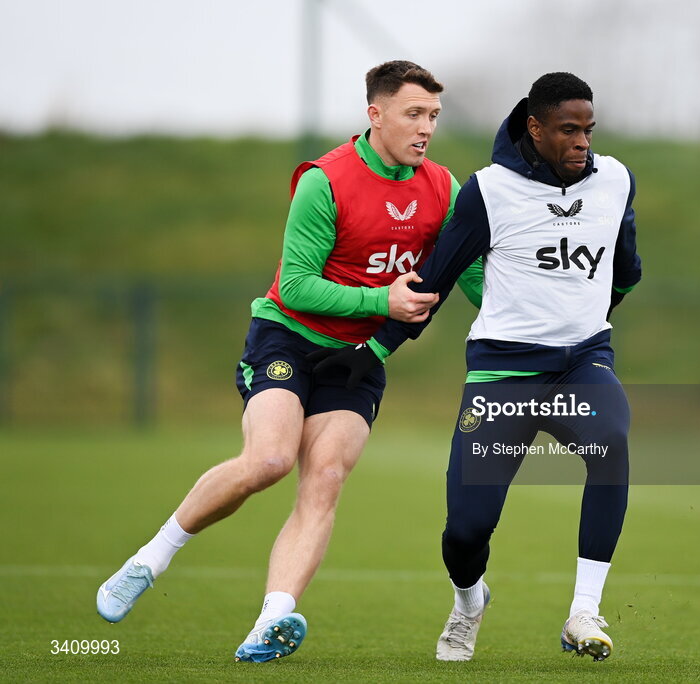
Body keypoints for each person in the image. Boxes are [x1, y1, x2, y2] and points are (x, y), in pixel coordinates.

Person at [95, 60, 481, 663]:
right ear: (374, 114)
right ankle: (151, 559)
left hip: (358, 358)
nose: (426, 127)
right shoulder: (324, 181)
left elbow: (472, 272)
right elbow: (296, 286)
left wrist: (529, 317)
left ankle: (272, 620)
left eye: (433, 114)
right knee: (270, 459)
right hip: (287, 338)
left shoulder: (441, 186)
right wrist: (384, 299)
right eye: (413, 113)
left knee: (325, 477)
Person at [311, 72, 641, 662]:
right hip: (503, 375)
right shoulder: (488, 192)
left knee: (611, 441)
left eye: (588, 130)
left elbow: (627, 268)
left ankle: (583, 612)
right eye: (568, 130)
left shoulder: (615, 181)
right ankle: (468, 601)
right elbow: (433, 280)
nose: (582, 142)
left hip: (583, 364)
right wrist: (375, 349)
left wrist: (588, 309)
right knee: (465, 531)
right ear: (534, 128)